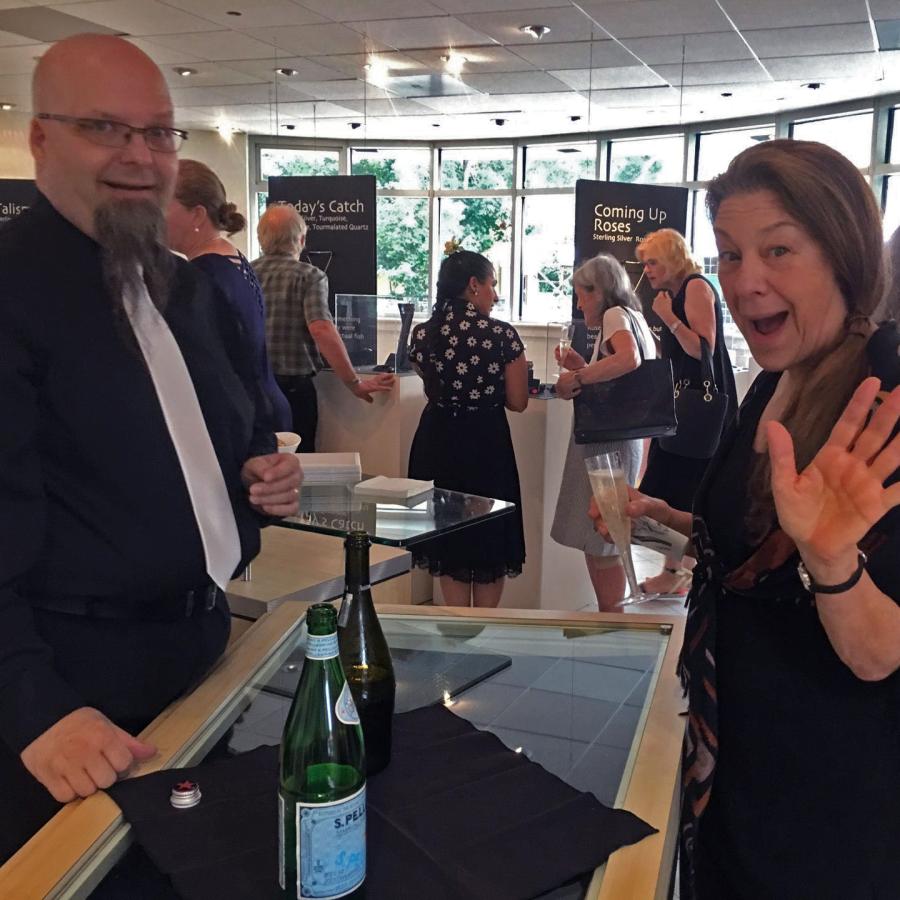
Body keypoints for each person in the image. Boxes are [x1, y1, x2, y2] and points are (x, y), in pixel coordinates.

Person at [0, 34, 301, 862]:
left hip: (203, 661)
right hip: (72, 704)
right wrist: (33, 707)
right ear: (40, 139)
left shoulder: (189, 289)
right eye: (106, 128)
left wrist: (263, 481)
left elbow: (232, 447)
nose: (140, 156)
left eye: (160, 132)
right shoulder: (12, 292)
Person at [590, 140, 900, 899]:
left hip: (823, 797)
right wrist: (659, 512)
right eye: (729, 254)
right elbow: (751, 548)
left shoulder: (880, 399)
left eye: (778, 250)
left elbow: (880, 653)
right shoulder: (779, 380)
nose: (744, 280)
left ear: (845, 256)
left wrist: (831, 561)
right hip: (736, 759)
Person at [408, 250, 528, 607]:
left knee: (448, 536)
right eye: (492, 285)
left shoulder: (423, 335)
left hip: (438, 440)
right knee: (489, 536)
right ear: (473, 286)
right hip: (485, 442)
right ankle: (484, 630)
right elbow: (518, 401)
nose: (494, 294)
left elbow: (428, 381)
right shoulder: (502, 336)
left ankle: (458, 630)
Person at [551, 253, 657, 610]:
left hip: (606, 440)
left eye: (582, 294)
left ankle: (613, 617)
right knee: (604, 534)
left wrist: (578, 377)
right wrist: (581, 365)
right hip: (621, 439)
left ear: (600, 291)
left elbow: (629, 360)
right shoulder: (635, 317)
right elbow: (620, 375)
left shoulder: (614, 316)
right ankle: (609, 613)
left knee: (604, 534)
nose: (579, 303)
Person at [635, 227, 737, 594]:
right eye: (644, 263)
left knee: (687, 480)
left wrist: (670, 318)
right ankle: (675, 570)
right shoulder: (674, 292)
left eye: (652, 262)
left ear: (672, 258)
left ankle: (680, 572)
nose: (646, 270)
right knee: (672, 480)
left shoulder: (694, 286)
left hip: (700, 404)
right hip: (684, 402)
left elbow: (702, 349)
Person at [252, 203, 394, 451]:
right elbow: (321, 328)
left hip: (252, 387)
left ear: (260, 238)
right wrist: (353, 382)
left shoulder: (246, 272)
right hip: (293, 390)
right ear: (302, 239)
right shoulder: (310, 276)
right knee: (299, 462)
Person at [165, 158, 291, 432]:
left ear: (197, 215)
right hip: (262, 405)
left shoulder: (201, 275)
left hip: (241, 417)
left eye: (161, 203)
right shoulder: (232, 258)